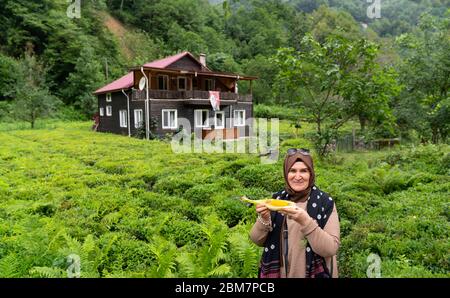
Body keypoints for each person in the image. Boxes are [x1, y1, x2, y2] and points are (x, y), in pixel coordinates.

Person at [249, 148, 340, 278]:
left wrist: (305, 221)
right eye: (292, 171)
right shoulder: (277, 199)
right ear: (286, 173)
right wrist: (264, 218)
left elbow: (330, 249)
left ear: (311, 173)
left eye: (303, 171)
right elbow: (256, 240)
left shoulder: (325, 202)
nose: (298, 176)